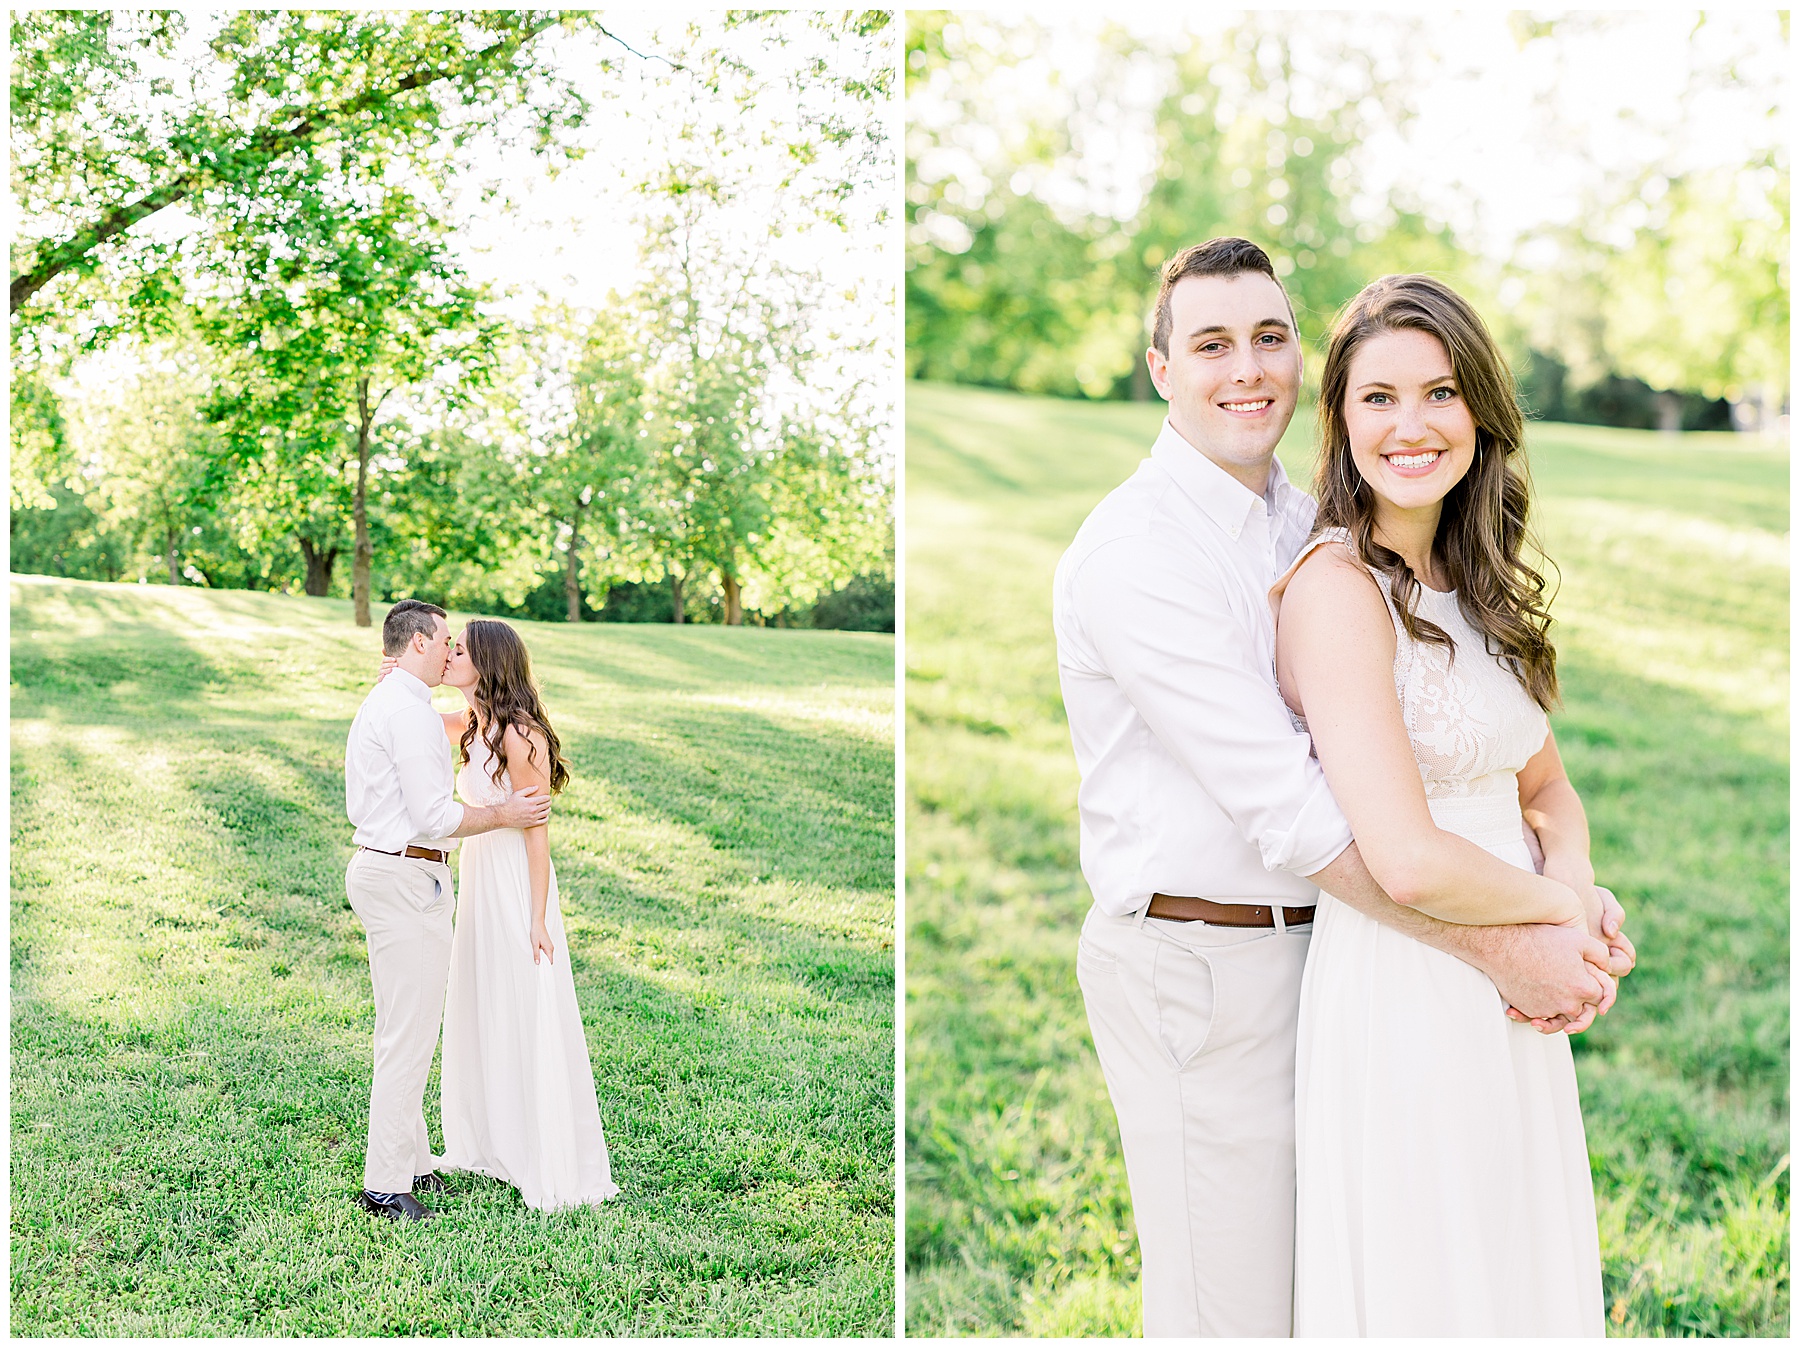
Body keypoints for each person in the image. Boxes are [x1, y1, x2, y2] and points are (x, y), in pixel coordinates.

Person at [1050, 238, 1635, 1336]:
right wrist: (1525, 935)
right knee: (1236, 1312)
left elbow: (1533, 773)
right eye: (1211, 343)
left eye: (1269, 336)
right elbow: (1299, 814)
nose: (1247, 368)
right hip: (1206, 961)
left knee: (1405, 1280)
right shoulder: (1138, 553)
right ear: (1160, 368)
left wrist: (1562, 885)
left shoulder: (1305, 517)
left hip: (1341, 944)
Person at [1274, 275, 1607, 1334]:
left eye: (1440, 393)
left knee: (1516, 1265)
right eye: (1378, 397)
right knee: (1437, 1279)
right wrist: (1560, 918)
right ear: (1340, 419)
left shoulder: (1478, 582)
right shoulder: (1336, 591)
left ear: (1480, 413)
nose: (1410, 426)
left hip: (1517, 971)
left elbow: (1545, 784)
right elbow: (1407, 856)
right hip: (1410, 982)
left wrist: (1576, 881)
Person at [343, 599, 552, 1223]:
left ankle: (412, 1163)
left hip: (397, 872)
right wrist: (505, 814)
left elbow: (471, 722)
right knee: (408, 1036)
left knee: (403, 1028)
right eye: (443, 643)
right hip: (405, 876)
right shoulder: (405, 710)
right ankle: (385, 1185)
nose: (449, 653)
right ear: (418, 645)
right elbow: (433, 816)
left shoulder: (403, 702)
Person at [420, 618, 619, 1211]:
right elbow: (413, 720)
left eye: (459, 650)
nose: (449, 655)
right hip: (480, 879)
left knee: (521, 997)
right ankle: (490, 1141)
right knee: (484, 998)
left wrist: (538, 916)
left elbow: (537, 833)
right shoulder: (472, 722)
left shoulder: (519, 734)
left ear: (488, 661)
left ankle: (540, 1152)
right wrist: (394, 679)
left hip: (513, 882)